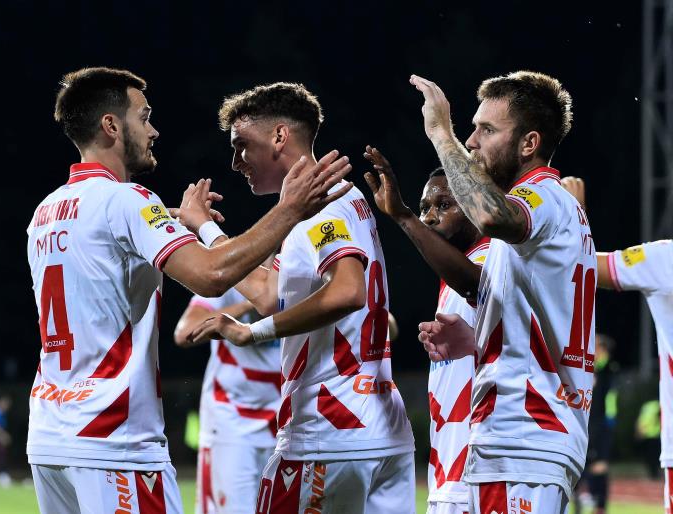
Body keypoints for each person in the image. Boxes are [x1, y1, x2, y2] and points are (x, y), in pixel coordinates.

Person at [26, 67, 352, 514]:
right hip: (112, 439)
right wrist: (291, 209)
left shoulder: (46, 212)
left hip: (50, 435)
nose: (153, 131)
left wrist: (176, 222)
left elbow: (107, 245)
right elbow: (211, 275)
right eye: (144, 117)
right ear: (111, 125)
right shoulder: (129, 200)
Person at [185, 82, 416, 514]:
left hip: (329, 429)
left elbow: (348, 291)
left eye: (241, 145)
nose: (236, 162)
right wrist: (205, 229)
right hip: (380, 431)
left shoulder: (323, 204)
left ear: (279, 136)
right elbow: (269, 294)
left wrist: (252, 333)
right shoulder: (323, 203)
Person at [412, 71, 595, 514]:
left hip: (525, 434)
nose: (471, 141)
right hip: (522, 439)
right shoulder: (551, 210)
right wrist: (476, 339)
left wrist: (441, 134)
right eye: (471, 128)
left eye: (487, 130)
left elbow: (493, 217)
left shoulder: (542, 195)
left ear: (529, 143)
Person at [363, 148, 488, 514]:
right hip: (451, 468)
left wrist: (403, 216)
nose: (430, 216)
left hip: (474, 470)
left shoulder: (487, 258)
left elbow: (476, 283)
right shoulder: (452, 278)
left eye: (444, 205)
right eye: (424, 208)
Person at [562, 175, 673, 508]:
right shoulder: (664, 259)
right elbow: (583, 268)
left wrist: (574, 216)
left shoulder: (664, 258)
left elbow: (580, 267)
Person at [174, 276, 281, 514]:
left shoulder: (296, 278)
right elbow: (184, 332)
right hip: (232, 420)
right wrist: (251, 304)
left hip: (284, 420)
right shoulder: (231, 283)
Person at [573, 333, 619, 514]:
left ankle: (599, 506)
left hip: (602, 424)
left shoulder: (608, 369)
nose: (592, 350)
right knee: (581, 464)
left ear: (604, 350)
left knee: (599, 466)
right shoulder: (592, 370)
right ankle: (578, 502)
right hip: (588, 423)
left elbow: (609, 401)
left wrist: (607, 426)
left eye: (596, 346)